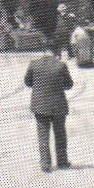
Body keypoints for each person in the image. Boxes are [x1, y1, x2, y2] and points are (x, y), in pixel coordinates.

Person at [24, 41, 74, 172]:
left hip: (40, 105)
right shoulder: (61, 65)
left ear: (44, 51)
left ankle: (45, 164)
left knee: (43, 134)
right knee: (60, 134)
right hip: (58, 105)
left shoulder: (34, 64)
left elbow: (27, 82)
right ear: (57, 51)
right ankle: (62, 161)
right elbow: (69, 84)